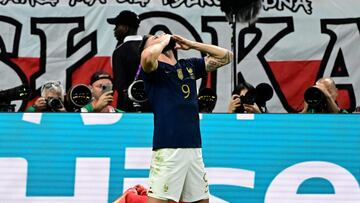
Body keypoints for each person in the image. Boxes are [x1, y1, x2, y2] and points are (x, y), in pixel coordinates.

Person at [139, 33, 233, 203]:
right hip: (168, 148)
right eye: (154, 37)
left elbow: (226, 56)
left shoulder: (188, 65)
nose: (160, 35)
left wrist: (192, 44)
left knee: (201, 201)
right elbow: (146, 56)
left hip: (194, 147)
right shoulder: (153, 69)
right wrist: (164, 41)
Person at [108, 10, 149, 112]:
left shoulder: (119, 51)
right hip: (152, 104)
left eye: (117, 26)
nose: (114, 30)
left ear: (125, 28)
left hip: (128, 107)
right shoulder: (151, 48)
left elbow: (120, 85)